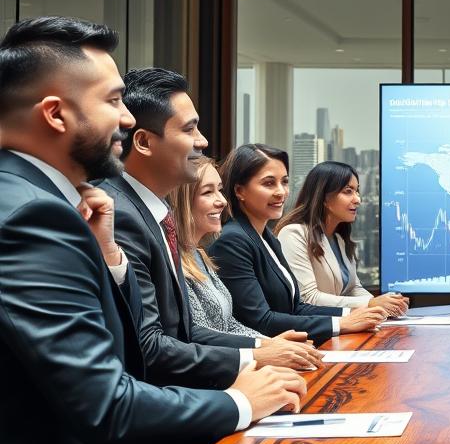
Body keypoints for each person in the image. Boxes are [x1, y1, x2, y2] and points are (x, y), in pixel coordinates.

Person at [0, 17, 305, 444]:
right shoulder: (30, 213)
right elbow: (106, 405)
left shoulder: (50, 203)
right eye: (113, 101)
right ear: (56, 115)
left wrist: (108, 261)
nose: (125, 120)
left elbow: (114, 356)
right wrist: (238, 404)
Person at [100, 69, 321, 395]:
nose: (202, 141)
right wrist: (253, 359)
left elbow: (186, 332)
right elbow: (149, 346)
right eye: (190, 129)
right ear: (144, 141)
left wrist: (259, 350)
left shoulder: (154, 215)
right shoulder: (121, 215)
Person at [210, 144, 387, 339]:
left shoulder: (267, 237)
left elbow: (296, 308)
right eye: (269, 183)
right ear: (239, 191)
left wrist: (354, 315)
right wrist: (342, 323)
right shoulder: (233, 240)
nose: (281, 192)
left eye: (284, 182)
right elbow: (261, 321)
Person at [171, 155, 291, 344]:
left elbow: (229, 324)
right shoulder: (174, 259)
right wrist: (263, 347)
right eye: (207, 192)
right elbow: (199, 335)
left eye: (219, 190)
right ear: (183, 201)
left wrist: (270, 343)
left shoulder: (199, 254)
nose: (223, 201)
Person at [276, 161, 408, 316]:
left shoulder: (339, 239)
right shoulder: (293, 234)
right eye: (348, 191)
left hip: (345, 327)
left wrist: (385, 305)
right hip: (313, 332)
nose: (357, 199)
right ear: (324, 197)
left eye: (357, 191)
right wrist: (370, 303)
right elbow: (308, 298)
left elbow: (353, 288)